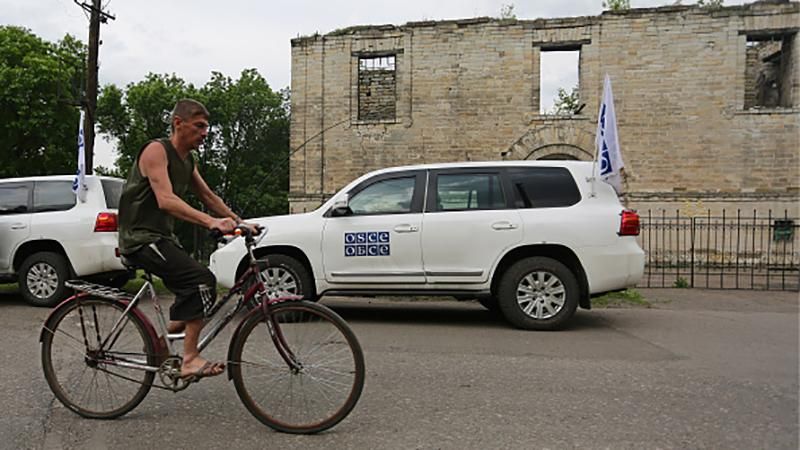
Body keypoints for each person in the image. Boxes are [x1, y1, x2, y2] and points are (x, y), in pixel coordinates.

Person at [118, 99, 246, 380]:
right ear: (178, 123)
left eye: (206, 127)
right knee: (200, 280)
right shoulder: (156, 151)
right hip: (140, 238)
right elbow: (165, 200)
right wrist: (211, 222)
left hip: (161, 237)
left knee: (199, 289)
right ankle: (189, 359)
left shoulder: (188, 160)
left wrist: (240, 222)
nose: (205, 133)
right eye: (199, 126)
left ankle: (161, 346)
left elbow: (208, 197)